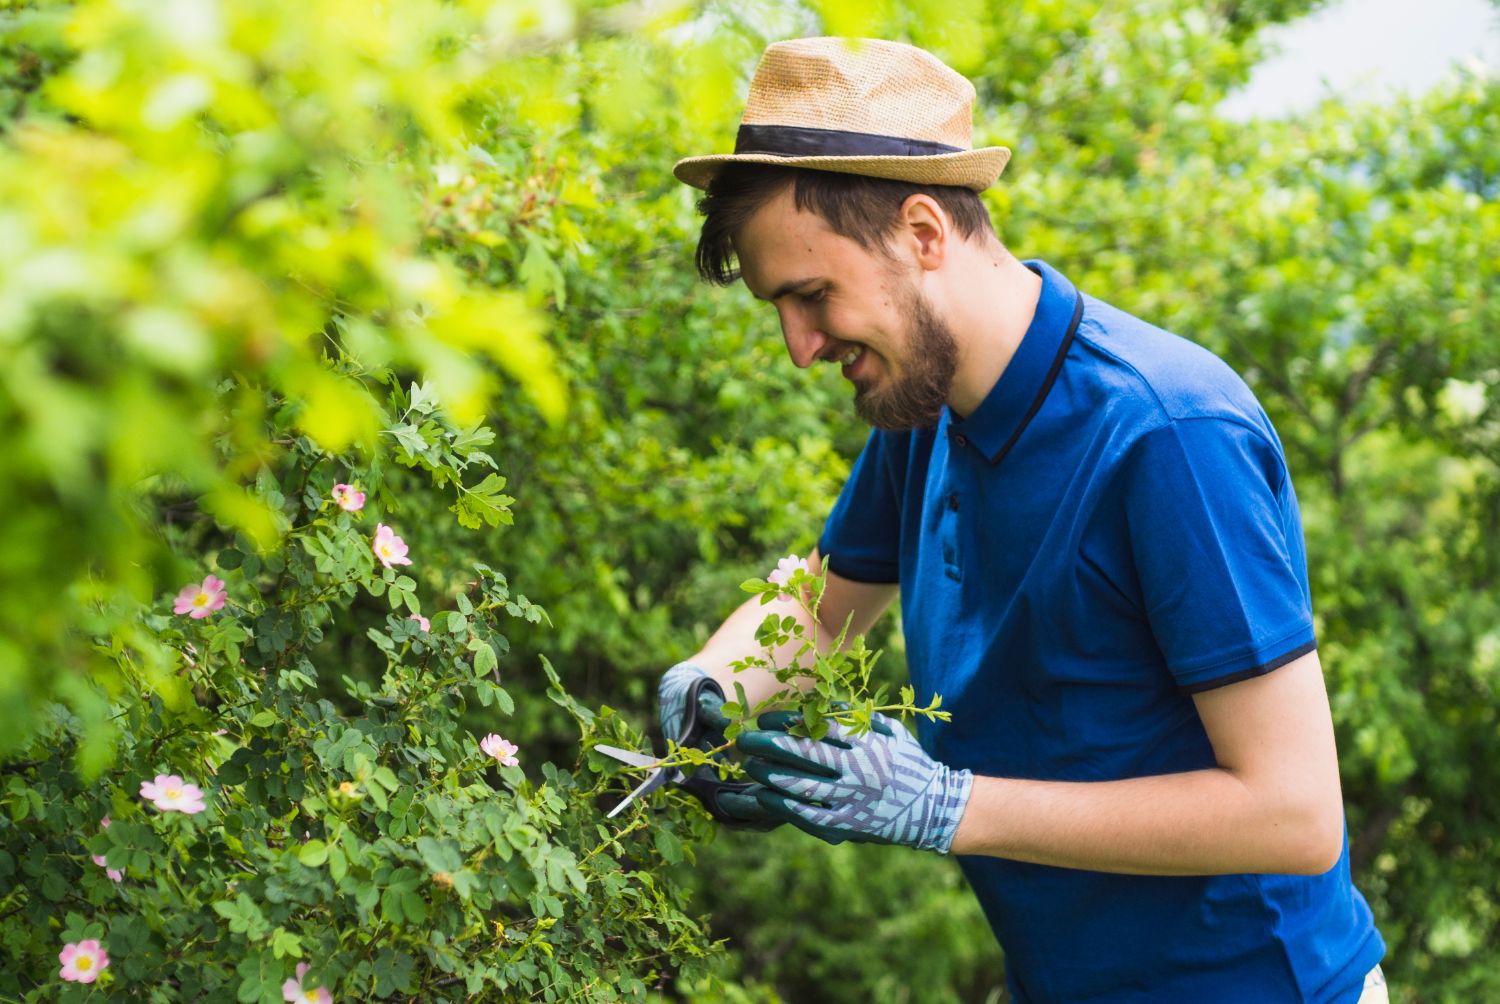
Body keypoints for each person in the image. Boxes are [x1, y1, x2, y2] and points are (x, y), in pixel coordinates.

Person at [656, 36, 1387, 1003]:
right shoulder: (925, 407)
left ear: (923, 231)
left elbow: (1294, 815)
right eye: (778, 308)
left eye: (813, 296)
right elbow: (827, 607)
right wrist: (713, 681)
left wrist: (947, 807)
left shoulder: (1166, 433)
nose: (799, 348)